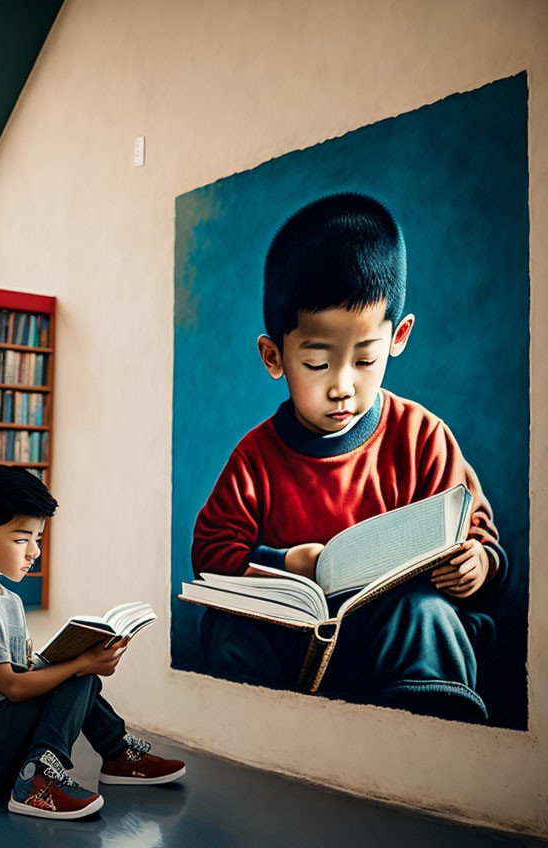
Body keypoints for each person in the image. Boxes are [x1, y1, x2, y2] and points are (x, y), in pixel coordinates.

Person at [192, 193, 507, 722]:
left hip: (394, 644)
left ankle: (433, 736)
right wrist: (290, 565)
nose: (343, 387)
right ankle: (248, 735)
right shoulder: (254, 458)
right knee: (232, 626)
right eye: (317, 363)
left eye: (365, 359)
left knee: (428, 615)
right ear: (275, 357)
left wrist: (478, 564)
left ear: (398, 337)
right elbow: (210, 555)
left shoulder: (421, 437)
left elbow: (476, 535)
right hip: (295, 640)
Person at [0, 464, 185, 821]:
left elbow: (21, 673)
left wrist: (75, 656)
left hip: (3, 737)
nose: (33, 551)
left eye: (38, 539)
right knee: (78, 674)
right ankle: (39, 781)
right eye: (21, 539)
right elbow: (15, 687)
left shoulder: (8, 599)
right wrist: (78, 665)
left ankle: (112, 755)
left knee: (80, 674)